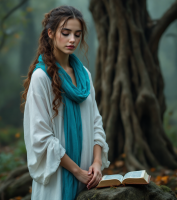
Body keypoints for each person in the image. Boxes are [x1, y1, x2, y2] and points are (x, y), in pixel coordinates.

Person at [21, 5, 110, 200]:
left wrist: (96, 163)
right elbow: (41, 137)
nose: (72, 40)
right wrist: (77, 171)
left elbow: (96, 123)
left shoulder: (84, 76)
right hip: (57, 180)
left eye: (77, 35)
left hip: (88, 176)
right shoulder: (41, 78)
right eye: (66, 33)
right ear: (51, 33)